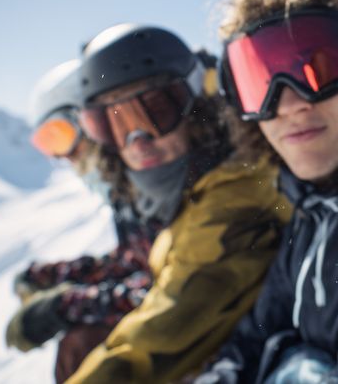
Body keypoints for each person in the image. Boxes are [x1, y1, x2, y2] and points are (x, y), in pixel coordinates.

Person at [195, 0, 338, 383]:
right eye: (260, 85)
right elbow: (262, 328)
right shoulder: (307, 217)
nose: (287, 103)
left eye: (317, 71)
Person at [65, 23, 292, 383]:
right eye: (115, 124)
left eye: (154, 110)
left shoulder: (236, 192)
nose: (137, 140)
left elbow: (162, 330)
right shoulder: (189, 191)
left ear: (195, 106)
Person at [6, 58, 158, 383]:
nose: (63, 156)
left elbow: (159, 289)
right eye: (48, 144)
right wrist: (55, 276)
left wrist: (65, 304)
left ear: (93, 122)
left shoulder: (158, 181)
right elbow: (134, 262)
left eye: (59, 135)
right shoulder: (128, 193)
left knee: (82, 344)